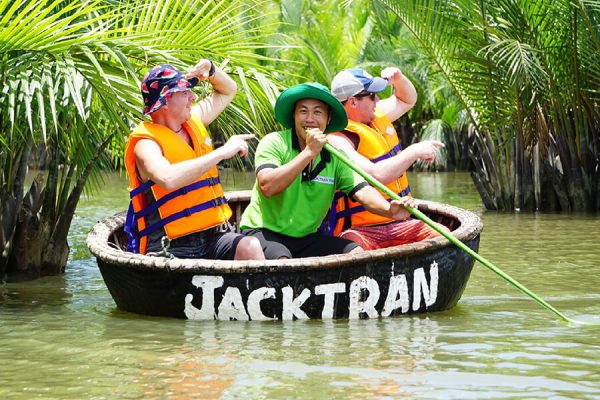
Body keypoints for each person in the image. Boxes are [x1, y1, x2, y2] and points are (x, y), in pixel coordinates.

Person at [239, 82, 415, 259]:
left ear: (328, 119)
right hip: (264, 232)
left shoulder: (334, 155)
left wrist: (389, 209)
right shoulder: (274, 142)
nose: (310, 119)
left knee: (355, 253)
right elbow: (268, 186)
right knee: (282, 260)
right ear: (293, 116)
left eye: (317, 112)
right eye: (303, 111)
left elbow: (362, 191)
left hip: (307, 237)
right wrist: (309, 152)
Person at [123, 61, 264, 260]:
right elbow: (168, 178)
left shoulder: (192, 120)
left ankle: (264, 291)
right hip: (170, 246)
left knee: (250, 246)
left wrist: (211, 70)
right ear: (165, 101)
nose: (193, 97)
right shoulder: (145, 144)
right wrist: (222, 152)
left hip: (212, 235)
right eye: (184, 92)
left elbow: (228, 90)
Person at [326, 67, 444, 250]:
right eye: (372, 96)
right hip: (362, 229)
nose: (378, 100)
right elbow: (377, 174)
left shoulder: (375, 114)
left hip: (401, 221)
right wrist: (414, 151)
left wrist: (398, 77)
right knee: (353, 248)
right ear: (353, 102)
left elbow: (408, 99)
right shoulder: (336, 138)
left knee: (442, 237)